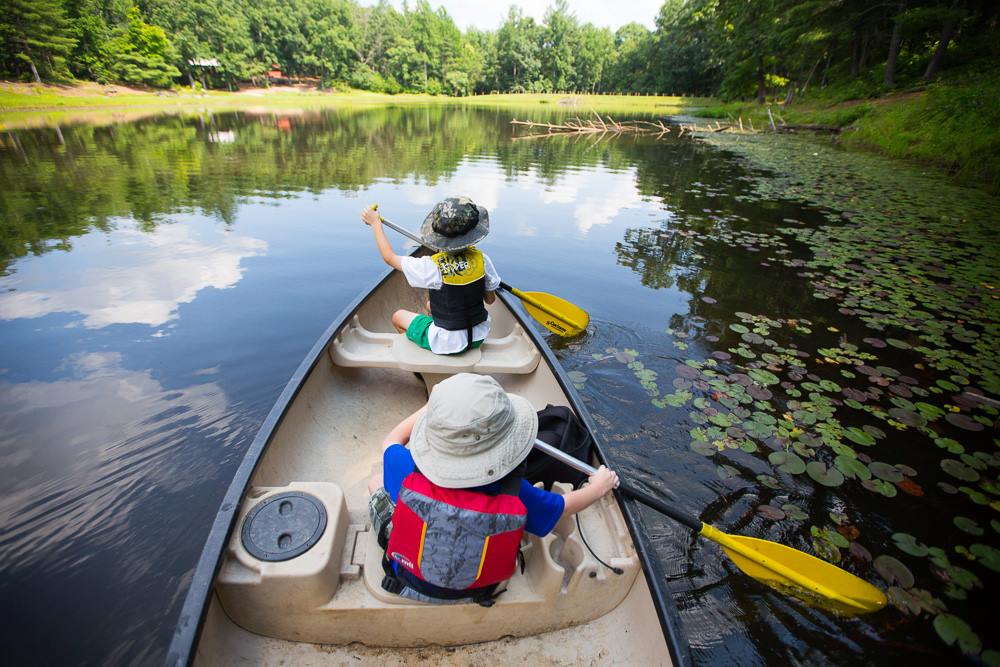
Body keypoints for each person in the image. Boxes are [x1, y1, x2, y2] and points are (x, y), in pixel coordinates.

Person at [367, 373, 619, 605]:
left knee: (376, 482)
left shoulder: (404, 466)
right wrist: (599, 487)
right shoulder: (515, 492)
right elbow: (564, 505)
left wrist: (428, 408)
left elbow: (391, 440)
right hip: (479, 589)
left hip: (407, 578)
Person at [361, 197, 501, 355]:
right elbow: (490, 300)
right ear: (472, 234)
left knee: (398, 317)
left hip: (446, 342)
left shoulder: (431, 266)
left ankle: (418, 358)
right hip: (478, 336)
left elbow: (390, 258)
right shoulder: (482, 260)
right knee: (429, 305)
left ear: (439, 236)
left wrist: (375, 224)